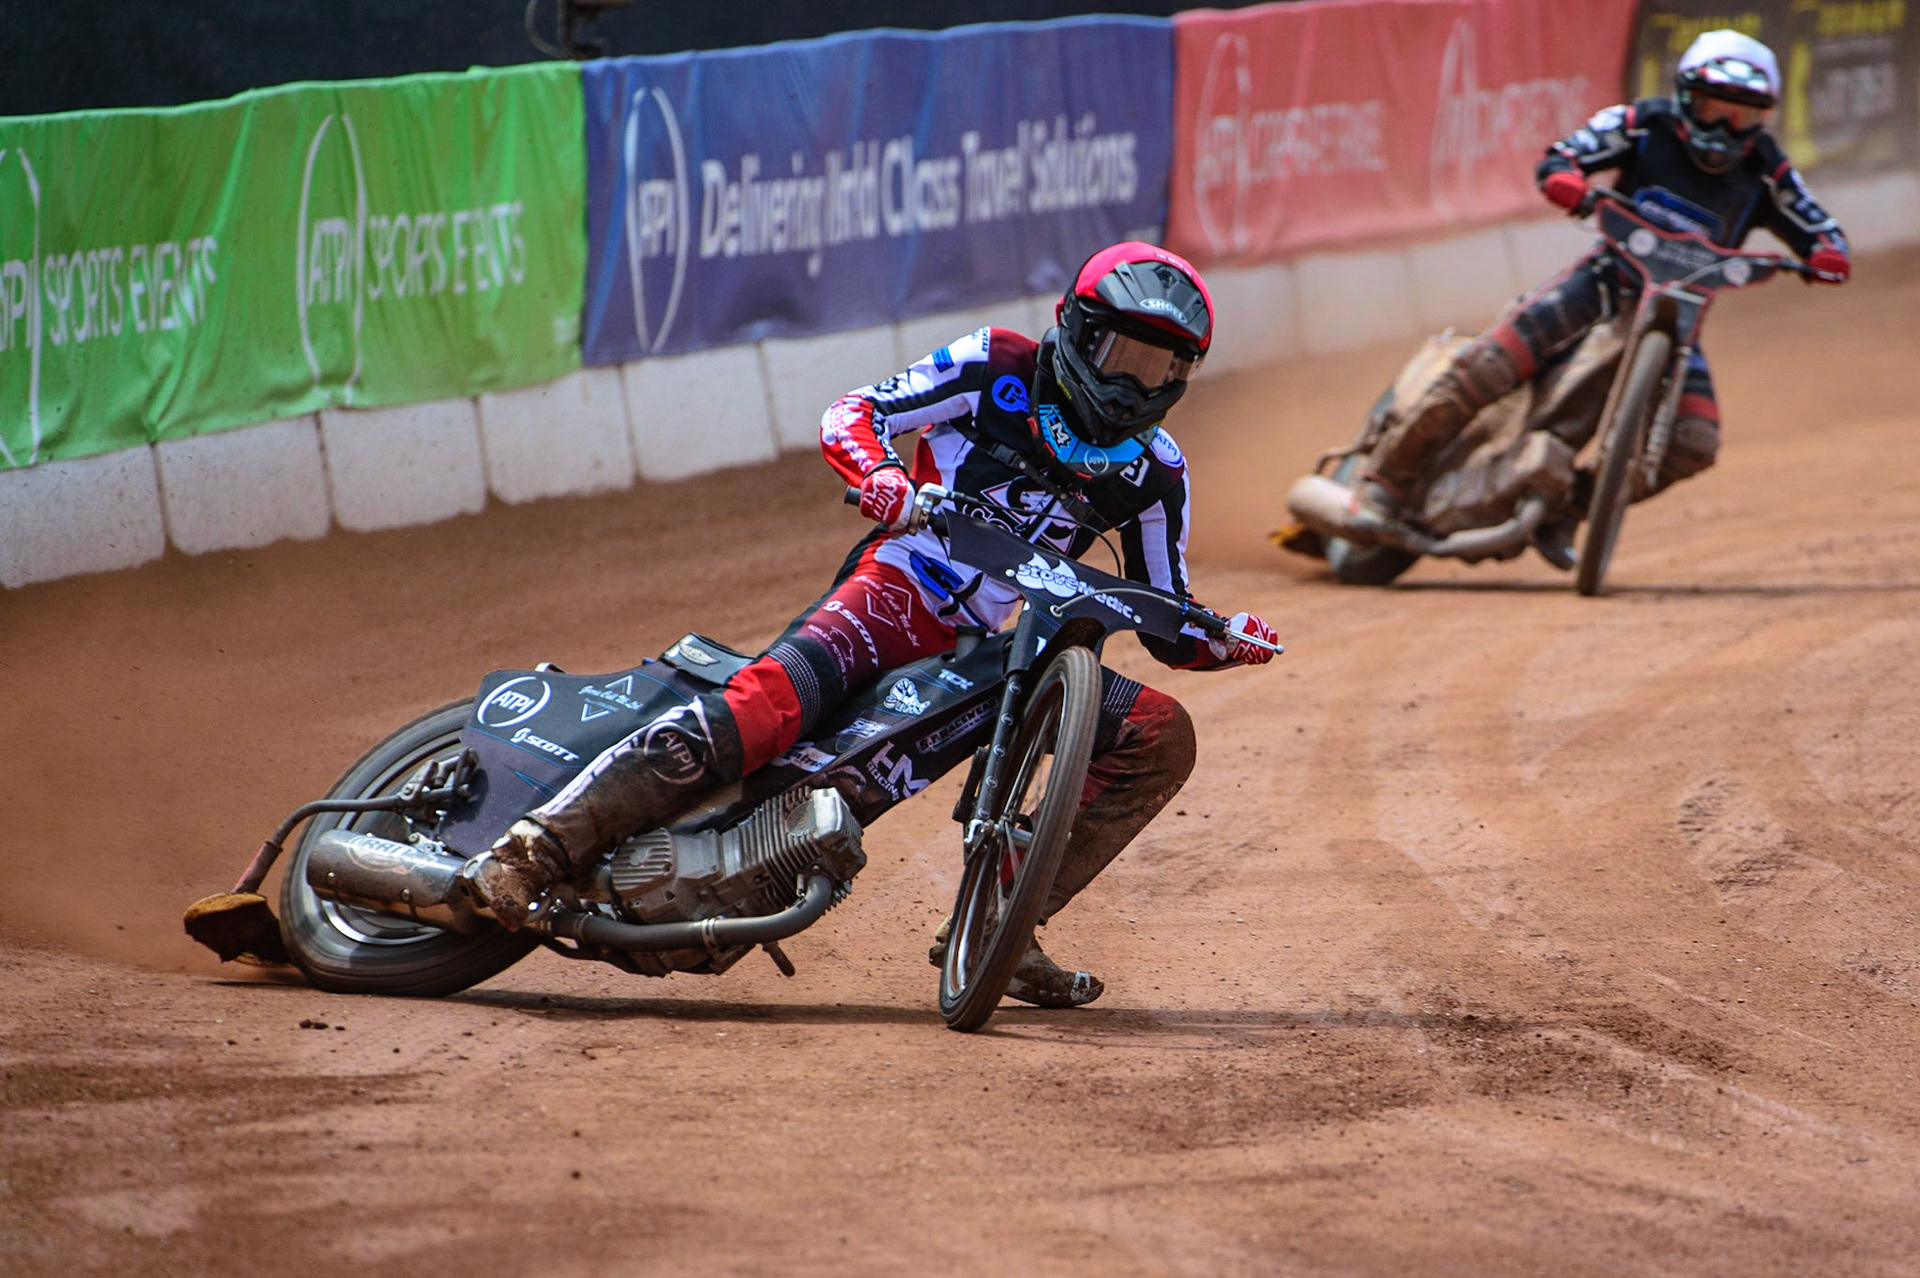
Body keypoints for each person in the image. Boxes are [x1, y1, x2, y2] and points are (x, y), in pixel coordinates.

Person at [471, 241, 1277, 1008]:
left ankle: (1003, 920)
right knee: (769, 705)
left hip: (1008, 652)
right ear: (1077, 329)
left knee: (1158, 734)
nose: (1137, 385)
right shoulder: (997, 363)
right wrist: (883, 474)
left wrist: (1225, 638)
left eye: (1163, 367)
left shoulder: (1157, 473)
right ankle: (535, 846)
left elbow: (1169, 617)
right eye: (1124, 357)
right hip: (901, 588)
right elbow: (855, 412)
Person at [1354, 29, 1849, 535]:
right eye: (1712, 110)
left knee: (1694, 442)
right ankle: (1384, 483)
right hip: (1601, 284)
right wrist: (1567, 182)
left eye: (1740, 115)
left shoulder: (1768, 170)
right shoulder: (1642, 123)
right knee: (1489, 364)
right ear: (1684, 99)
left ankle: (1569, 512)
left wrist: (1827, 254)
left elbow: (1817, 226)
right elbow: (1565, 155)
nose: (1724, 128)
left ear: (1763, 118)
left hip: (1681, 323)